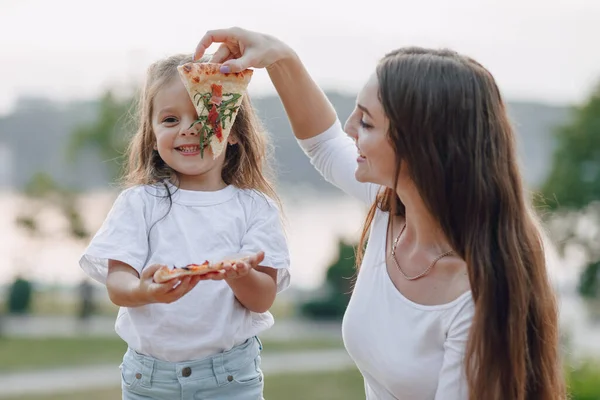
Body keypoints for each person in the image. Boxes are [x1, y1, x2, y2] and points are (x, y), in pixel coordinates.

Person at [193, 28, 566, 399]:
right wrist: (278, 55)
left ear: (422, 147)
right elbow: (323, 144)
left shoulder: (474, 294)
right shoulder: (393, 205)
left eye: (367, 122)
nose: (350, 128)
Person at [79, 53, 290, 400]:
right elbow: (118, 283)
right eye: (170, 119)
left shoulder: (254, 208)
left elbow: (262, 298)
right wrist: (143, 291)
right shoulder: (139, 203)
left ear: (234, 132)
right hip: (149, 382)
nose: (187, 129)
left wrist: (239, 274)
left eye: (205, 115)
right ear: (152, 133)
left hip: (230, 380)